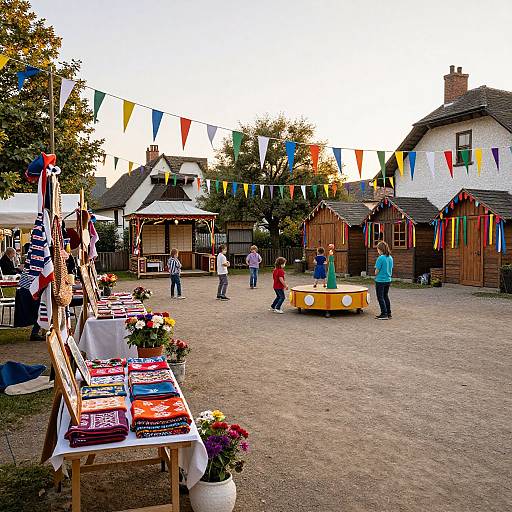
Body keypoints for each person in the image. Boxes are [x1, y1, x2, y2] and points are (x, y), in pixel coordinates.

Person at [374, 241, 393, 320]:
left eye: (378, 249)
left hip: (380, 280)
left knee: (380, 297)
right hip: (388, 280)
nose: (377, 251)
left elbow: (377, 271)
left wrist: (375, 272)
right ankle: (388, 313)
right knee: (385, 296)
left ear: (380, 249)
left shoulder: (380, 258)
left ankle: (384, 313)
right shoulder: (390, 258)